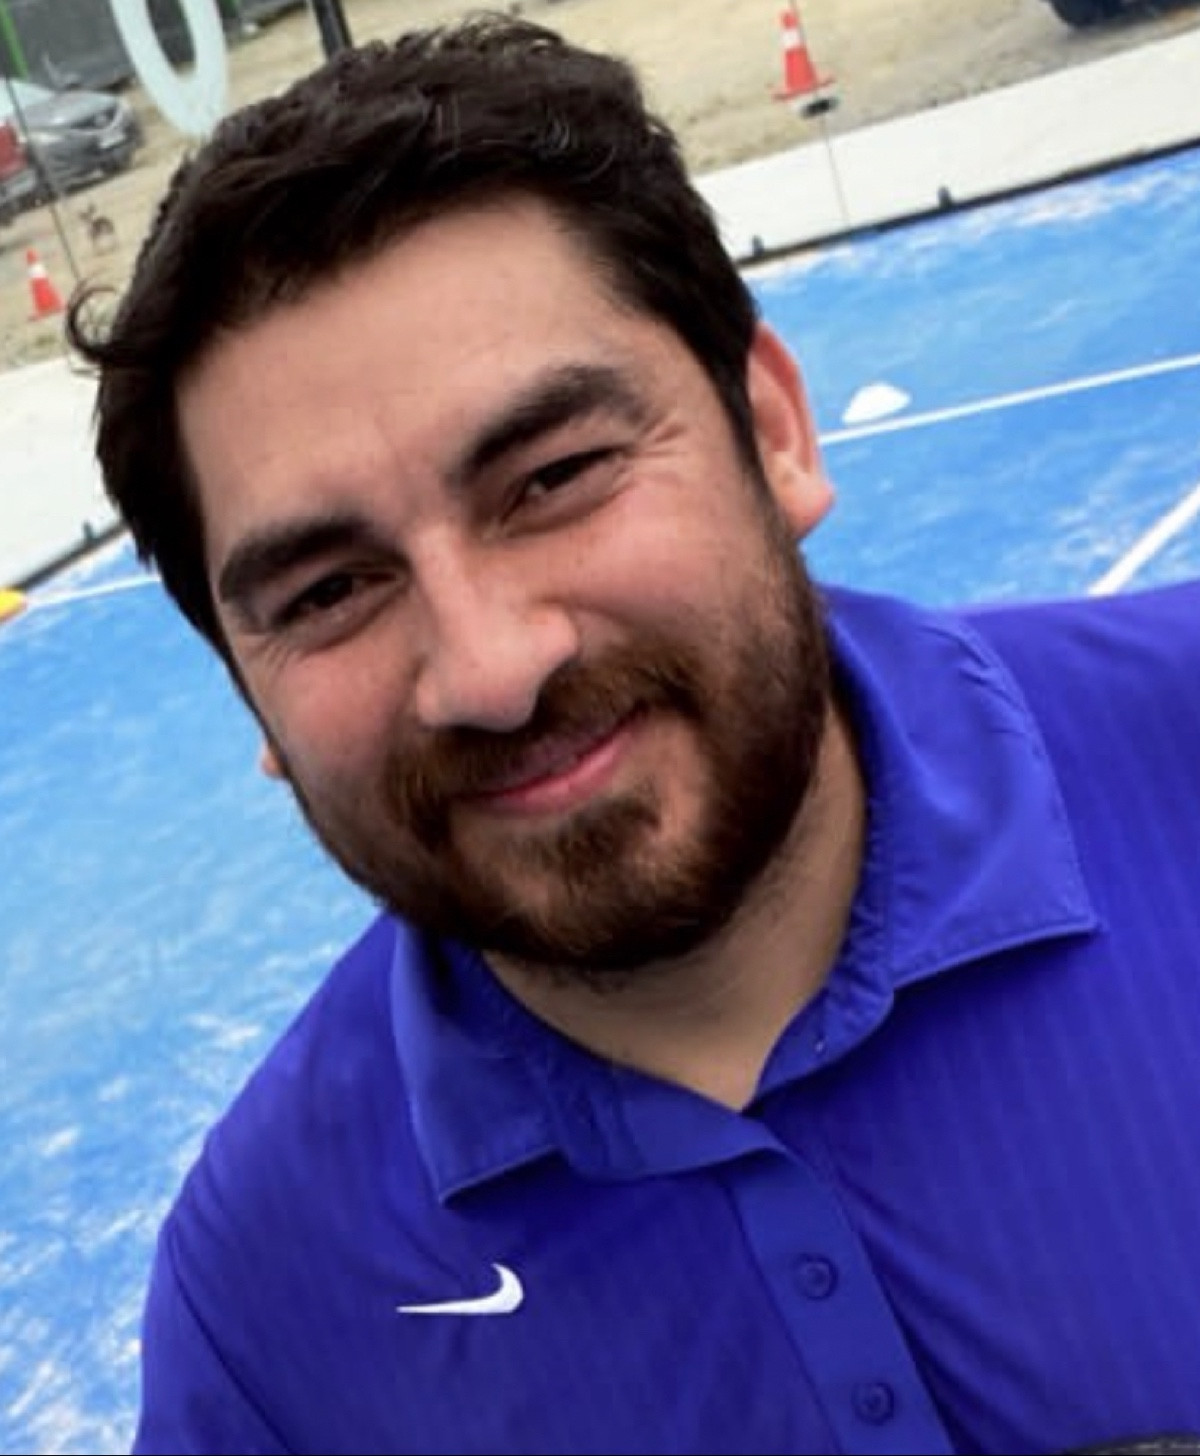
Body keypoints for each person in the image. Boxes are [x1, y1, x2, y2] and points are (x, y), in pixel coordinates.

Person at [68, 15, 1200, 1456]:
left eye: (555, 476)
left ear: (773, 430)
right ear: (251, 696)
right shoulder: (264, 1319)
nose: (490, 670)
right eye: (331, 591)